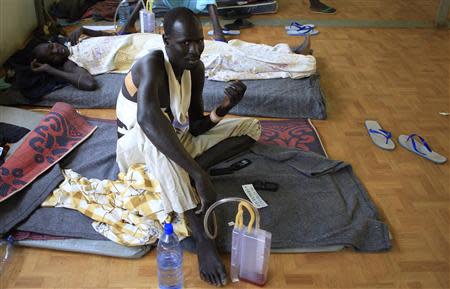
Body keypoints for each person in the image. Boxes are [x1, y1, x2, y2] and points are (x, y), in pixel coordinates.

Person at [115, 7, 261, 286]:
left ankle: (190, 168)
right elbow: (147, 119)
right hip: (138, 147)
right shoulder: (151, 64)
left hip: (173, 138)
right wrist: (197, 175)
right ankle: (204, 242)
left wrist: (225, 108)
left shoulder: (196, 69)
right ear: (166, 39)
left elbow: (194, 126)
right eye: (185, 43)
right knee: (155, 135)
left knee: (250, 126)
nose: (194, 50)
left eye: (198, 41)